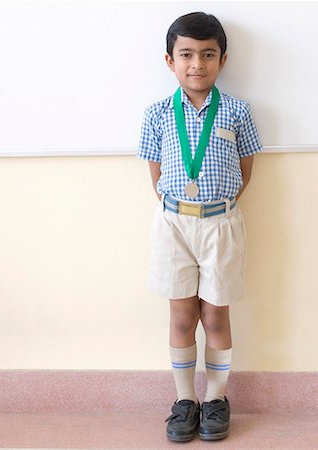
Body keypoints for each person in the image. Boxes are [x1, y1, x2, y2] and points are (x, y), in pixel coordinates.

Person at [137, 11, 262, 442]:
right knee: (180, 313)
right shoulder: (156, 114)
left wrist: (217, 209)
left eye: (208, 54)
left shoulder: (238, 111)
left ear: (222, 59)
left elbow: (246, 171)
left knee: (215, 312)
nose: (197, 64)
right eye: (186, 54)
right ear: (169, 61)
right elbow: (154, 175)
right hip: (173, 225)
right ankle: (184, 400)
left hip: (221, 225)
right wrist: (181, 208)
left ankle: (216, 398)